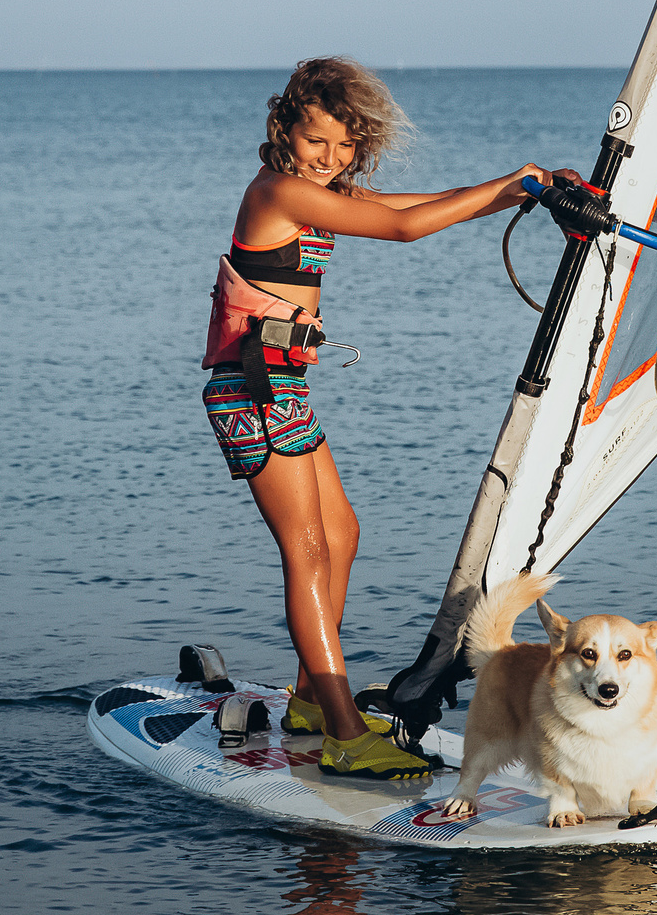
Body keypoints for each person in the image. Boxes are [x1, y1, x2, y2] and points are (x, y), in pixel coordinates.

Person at [204, 57, 548, 781]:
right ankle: (342, 731)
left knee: (343, 534)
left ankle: (306, 696)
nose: (329, 159)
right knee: (306, 551)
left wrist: (520, 190)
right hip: (251, 392)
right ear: (284, 133)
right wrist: (505, 185)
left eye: (343, 146)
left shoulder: (316, 191)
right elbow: (401, 227)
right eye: (314, 141)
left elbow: (416, 203)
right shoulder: (276, 190)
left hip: (283, 392)